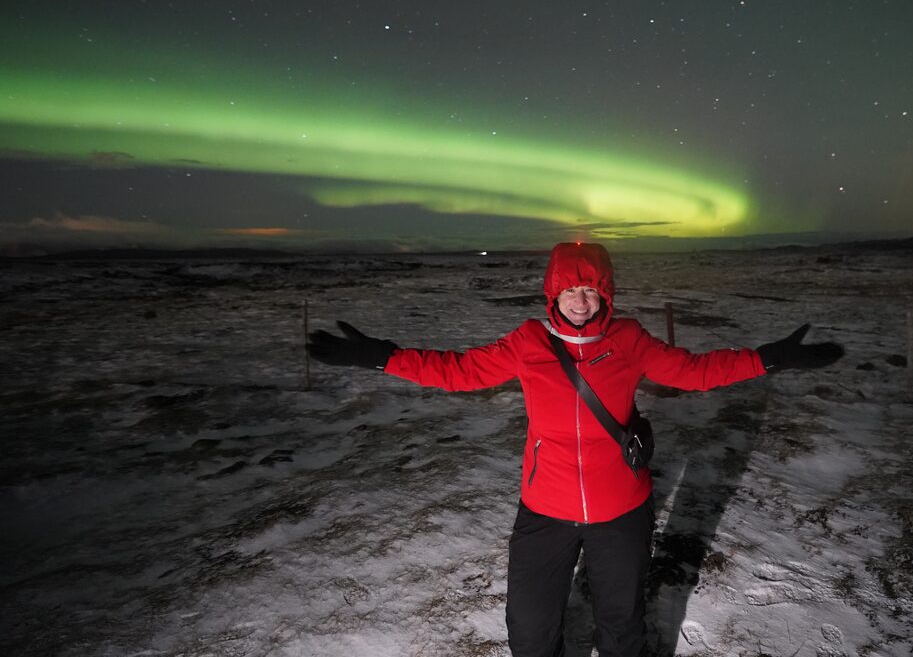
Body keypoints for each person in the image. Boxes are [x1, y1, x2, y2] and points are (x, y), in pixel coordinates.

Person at [307, 242, 843, 657]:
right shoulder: (528, 343)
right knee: (531, 632)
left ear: (606, 294)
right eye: (570, 291)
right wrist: (383, 356)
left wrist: (768, 358)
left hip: (622, 510)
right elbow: (459, 371)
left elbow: (695, 372)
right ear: (553, 294)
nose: (580, 302)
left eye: (591, 291)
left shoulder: (629, 340)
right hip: (545, 510)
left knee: (622, 625)